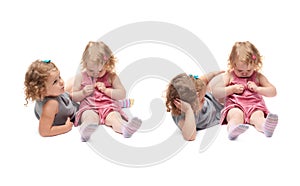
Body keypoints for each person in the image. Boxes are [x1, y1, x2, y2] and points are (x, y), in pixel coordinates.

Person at [71, 41, 142, 142]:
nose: (95, 74)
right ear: (85, 64)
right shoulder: (80, 77)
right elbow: (73, 96)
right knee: (90, 117)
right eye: (91, 70)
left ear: (108, 64)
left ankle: (125, 128)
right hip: (89, 106)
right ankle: (85, 131)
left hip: (108, 107)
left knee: (114, 117)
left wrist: (107, 90)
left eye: (100, 71)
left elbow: (122, 94)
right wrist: (83, 93)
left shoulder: (111, 77)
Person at [212, 41, 278, 140]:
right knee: (235, 116)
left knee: (258, 117)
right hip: (235, 106)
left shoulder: (258, 77)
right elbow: (216, 91)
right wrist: (232, 89)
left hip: (255, 107)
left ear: (255, 65)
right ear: (233, 64)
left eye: (248, 70)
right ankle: (232, 130)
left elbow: (273, 91)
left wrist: (257, 89)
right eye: (240, 70)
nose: (244, 73)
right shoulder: (229, 76)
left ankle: (265, 127)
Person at [24, 59, 78, 137]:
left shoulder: (50, 93)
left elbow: (64, 94)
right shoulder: (51, 105)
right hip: (73, 113)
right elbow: (44, 132)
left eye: (59, 77)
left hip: (64, 100)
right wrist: (66, 128)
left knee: (74, 80)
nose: (61, 81)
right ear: (42, 91)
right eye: (55, 81)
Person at [165, 71, 224, 141]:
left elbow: (203, 80)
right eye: (202, 100)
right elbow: (190, 137)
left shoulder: (197, 93)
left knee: (220, 82)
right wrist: (188, 110)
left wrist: (213, 74)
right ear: (190, 104)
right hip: (217, 112)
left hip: (213, 99)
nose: (204, 100)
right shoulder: (181, 117)